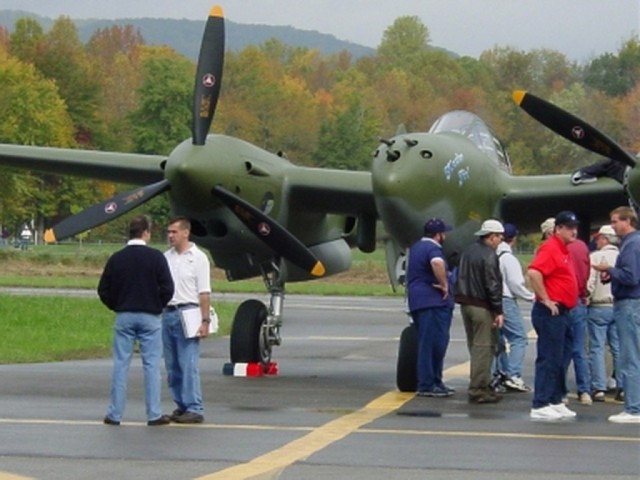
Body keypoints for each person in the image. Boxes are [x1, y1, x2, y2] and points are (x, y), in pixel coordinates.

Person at [98, 215, 174, 426]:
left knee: (120, 365)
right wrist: (157, 304)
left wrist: (116, 304)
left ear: (129, 233)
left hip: (124, 315)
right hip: (150, 316)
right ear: (146, 232)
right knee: (151, 366)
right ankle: (154, 413)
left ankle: (115, 414)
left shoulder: (117, 258)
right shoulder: (156, 257)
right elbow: (168, 288)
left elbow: (103, 289)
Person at [527, 211, 580, 421]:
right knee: (549, 357)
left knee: (561, 357)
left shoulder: (563, 249)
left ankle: (555, 399)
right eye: (568, 227)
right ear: (557, 229)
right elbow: (533, 272)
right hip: (551, 312)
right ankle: (540, 402)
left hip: (564, 312)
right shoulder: (550, 248)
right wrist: (546, 299)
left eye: (574, 227)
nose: (573, 231)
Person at [592, 206, 640, 423]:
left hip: (628, 304)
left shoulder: (630, 245)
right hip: (631, 303)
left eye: (615, 221)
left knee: (630, 357)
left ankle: (634, 408)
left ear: (627, 221)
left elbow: (630, 277)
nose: (612, 226)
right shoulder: (633, 243)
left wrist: (609, 270)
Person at [163, 216, 212, 424]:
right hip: (168, 312)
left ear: (186, 232)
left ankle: (194, 406)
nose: (170, 236)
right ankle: (181, 404)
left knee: (187, 362)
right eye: (169, 232)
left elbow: (204, 292)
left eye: (174, 232)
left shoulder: (198, 258)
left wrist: (205, 320)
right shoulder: (166, 257)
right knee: (172, 364)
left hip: (189, 311)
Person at [455, 219, 504, 404]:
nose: (500, 241)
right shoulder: (489, 255)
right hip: (481, 305)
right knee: (484, 348)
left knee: (474, 346)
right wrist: (498, 310)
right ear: (491, 237)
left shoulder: (468, 251)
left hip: (465, 303)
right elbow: (492, 284)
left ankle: (480, 384)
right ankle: (478, 389)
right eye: (499, 237)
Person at [406, 217, 455, 397]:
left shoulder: (417, 246)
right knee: (434, 344)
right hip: (432, 302)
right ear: (438, 235)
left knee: (428, 343)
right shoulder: (433, 248)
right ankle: (428, 383)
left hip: (418, 301)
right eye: (444, 233)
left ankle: (435, 381)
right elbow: (437, 262)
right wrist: (444, 284)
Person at [495, 223, 534, 392]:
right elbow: (515, 283)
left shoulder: (492, 255)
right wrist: (532, 297)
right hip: (506, 299)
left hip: (493, 300)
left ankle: (499, 373)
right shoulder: (508, 258)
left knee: (498, 341)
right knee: (519, 338)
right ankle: (513, 374)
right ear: (514, 239)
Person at [587, 225, 620, 402]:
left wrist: (587, 297)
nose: (597, 241)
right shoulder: (622, 257)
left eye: (599, 238)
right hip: (618, 305)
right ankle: (621, 384)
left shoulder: (595, 257)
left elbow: (590, 283)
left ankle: (598, 386)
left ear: (605, 239)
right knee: (618, 347)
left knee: (597, 348)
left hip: (599, 305)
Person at [565, 234, 592, 405]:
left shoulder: (557, 247)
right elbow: (586, 272)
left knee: (560, 349)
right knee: (579, 349)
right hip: (578, 299)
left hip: (561, 300)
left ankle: (560, 391)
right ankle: (585, 390)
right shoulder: (582, 247)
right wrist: (583, 292)